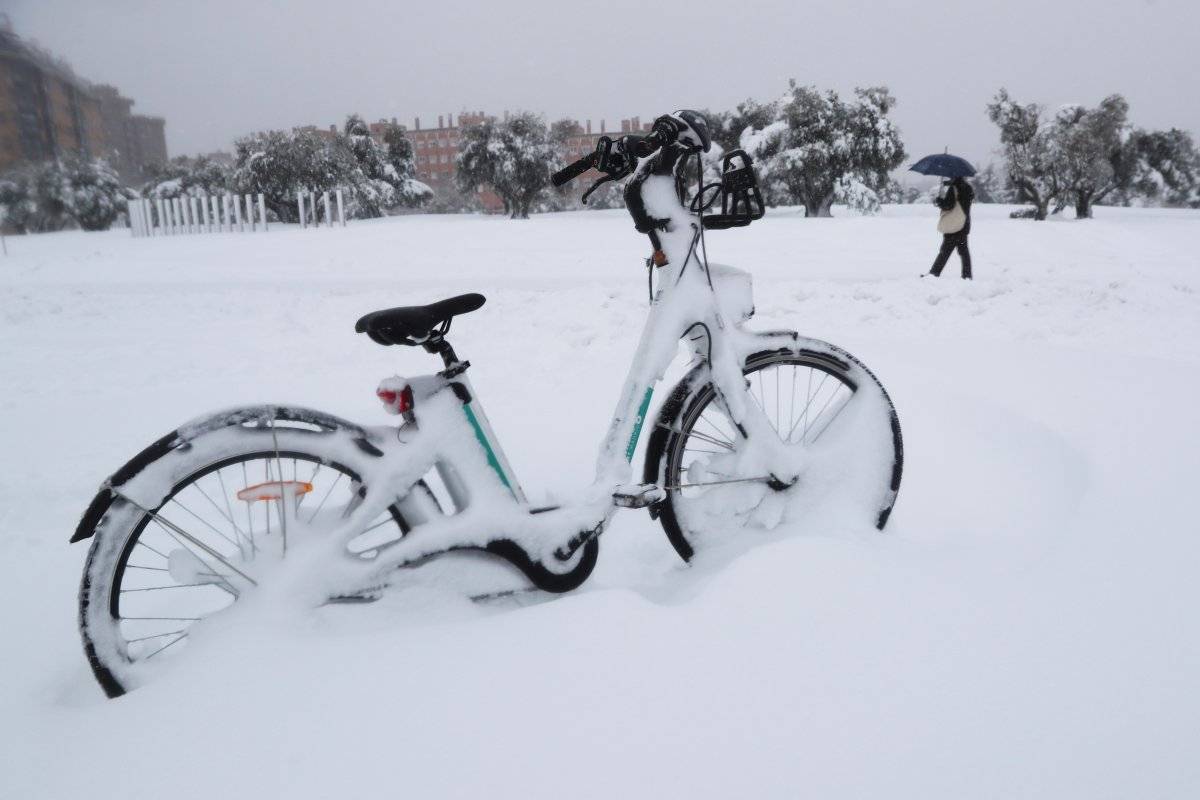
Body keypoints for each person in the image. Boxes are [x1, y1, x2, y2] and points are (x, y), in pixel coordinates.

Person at [926, 176, 974, 279]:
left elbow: (948, 205)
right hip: (964, 224)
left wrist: (939, 201)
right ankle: (967, 275)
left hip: (954, 226)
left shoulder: (954, 188)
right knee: (964, 252)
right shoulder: (968, 187)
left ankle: (934, 274)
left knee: (945, 251)